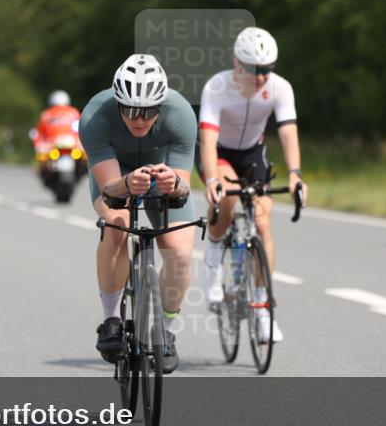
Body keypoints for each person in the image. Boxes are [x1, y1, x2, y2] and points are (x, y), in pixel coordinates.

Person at [79, 55, 197, 373]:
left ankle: (166, 331)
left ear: (161, 106)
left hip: (163, 173)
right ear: (118, 104)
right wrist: (129, 183)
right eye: (130, 110)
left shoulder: (181, 114)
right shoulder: (95, 117)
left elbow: (184, 188)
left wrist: (175, 184)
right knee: (116, 225)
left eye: (147, 111)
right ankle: (111, 320)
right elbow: (109, 191)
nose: (139, 118)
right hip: (117, 176)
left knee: (180, 254)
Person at [198, 26, 306, 344]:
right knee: (228, 198)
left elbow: (287, 132)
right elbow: (207, 137)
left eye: (267, 70)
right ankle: (214, 257)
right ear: (236, 63)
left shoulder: (280, 88)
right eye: (253, 71)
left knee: (262, 219)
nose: (260, 78)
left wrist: (295, 174)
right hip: (217, 151)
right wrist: (214, 180)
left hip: (252, 153)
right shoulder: (216, 87)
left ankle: (261, 309)